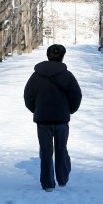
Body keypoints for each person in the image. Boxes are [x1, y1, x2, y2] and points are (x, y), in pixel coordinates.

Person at [23, 44, 82, 192]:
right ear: (63, 56)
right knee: (61, 149)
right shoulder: (67, 76)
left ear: (47, 55)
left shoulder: (36, 76)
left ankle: (48, 184)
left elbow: (28, 96)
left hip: (43, 120)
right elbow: (76, 96)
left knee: (46, 151)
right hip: (61, 119)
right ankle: (62, 179)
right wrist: (69, 111)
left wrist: (37, 110)